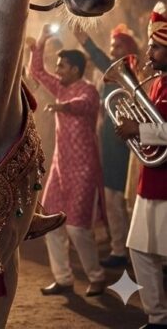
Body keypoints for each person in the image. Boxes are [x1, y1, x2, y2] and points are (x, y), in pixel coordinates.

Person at [29, 24, 107, 297]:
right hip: (60, 168)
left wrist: (63, 107)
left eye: (61, 66)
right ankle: (63, 278)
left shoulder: (88, 91)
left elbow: (83, 105)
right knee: (50, 222)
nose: (57, 70)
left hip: (84, 170)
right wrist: (39, 41)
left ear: (75, 69)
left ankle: (96, 277)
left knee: (77, 227)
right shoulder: (61, 88)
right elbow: (36, 72)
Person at [115, 2, 167, 329]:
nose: (149, 53)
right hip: (150, 180)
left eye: (155, 47)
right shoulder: (158, 82)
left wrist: (140, 129)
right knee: (140, 250)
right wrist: (132, 124)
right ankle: (158, 317)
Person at [74, 22, 139, 267]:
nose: (113, 51)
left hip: (130, 146)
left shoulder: (132, 74)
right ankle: (119, 250)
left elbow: (102, 61)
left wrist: (86, 42)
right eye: (112, 46)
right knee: (111, 199)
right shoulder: (110, 76)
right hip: (110, 144)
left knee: (129, 201)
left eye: (118, 46)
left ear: (129, 49)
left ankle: (140, 252)